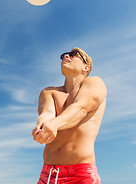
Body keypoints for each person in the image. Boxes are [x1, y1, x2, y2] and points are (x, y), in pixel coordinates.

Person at [32, 47, 107, 184]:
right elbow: (46, 113)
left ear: (85, 67)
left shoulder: (95, 83)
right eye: (64, 55)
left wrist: (54, 124)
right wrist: (41, 126)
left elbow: (80, 108)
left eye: (74, 54)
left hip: (81, 175)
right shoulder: (49, 92)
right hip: (48, 175)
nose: (66, 55)